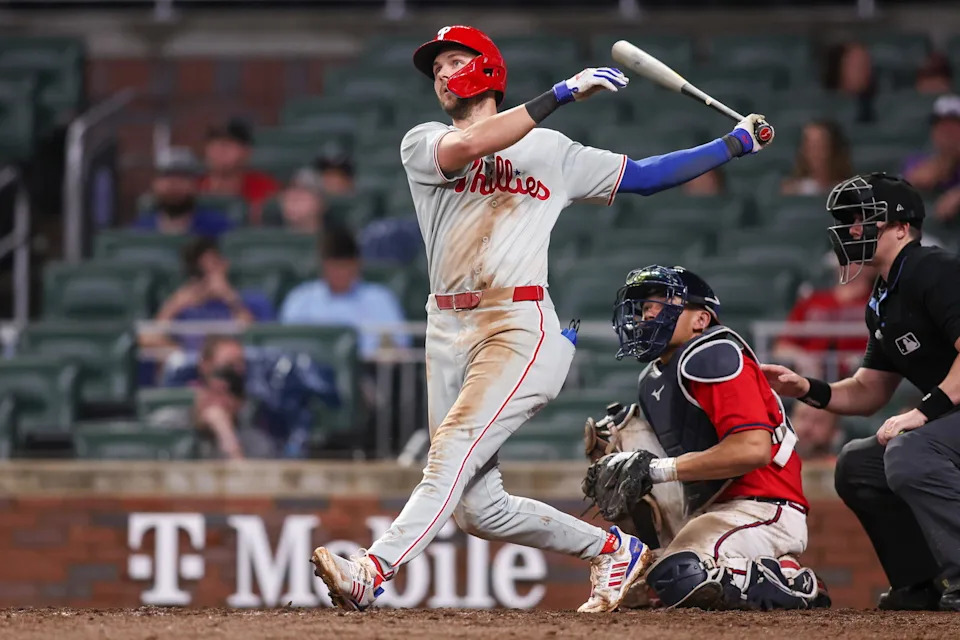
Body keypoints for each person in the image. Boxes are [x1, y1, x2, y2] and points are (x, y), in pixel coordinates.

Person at [309, 25, 776, 613]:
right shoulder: (422, 141)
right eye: (436, 70)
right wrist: (559, 93)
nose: (442, 75)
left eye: (454, 61)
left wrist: (732, 144)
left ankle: (372, 570)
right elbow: (467, 149)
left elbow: (647, 176)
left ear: (487, 70)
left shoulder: (551, 151)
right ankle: (613, 551)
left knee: (448, 453)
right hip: (445, 328)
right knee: (478, 508)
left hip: (518, 323)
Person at [760, 173, 960, 611]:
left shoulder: (934, 269)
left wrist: (925, 412)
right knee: (857, 464)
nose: (853, 230)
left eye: (864, 220)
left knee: (910, 452)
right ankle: (919, 582)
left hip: (948, 416)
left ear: (902, 228)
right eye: (850, 221)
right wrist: (806, 387)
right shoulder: (884, 294)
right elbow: (870, 389)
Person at [580, 265, 826, 611]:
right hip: (711, 507)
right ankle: (752, 565)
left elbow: (754, 449)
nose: (648, 312)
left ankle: (791, 581)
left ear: (700, 319)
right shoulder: (651, 378)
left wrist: (655, 471)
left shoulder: (712, 353)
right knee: (616, 435)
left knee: (679, 575)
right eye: (645, 305)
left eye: (662, 301)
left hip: (765, 503)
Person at [279, 227, 410, 358]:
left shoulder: (380, 299)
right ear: (323, 266)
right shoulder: (300, 299)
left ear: (357, 265)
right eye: (334, 267)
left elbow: (399, 347)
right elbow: (286, 345)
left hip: (366, 373)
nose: (339, 273)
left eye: (345, 266)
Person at [772, 257, 874, 378]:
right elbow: (782, 347)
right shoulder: (813, 301)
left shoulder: (878, 302)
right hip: (814, 374)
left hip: (859, 376)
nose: (851, 266)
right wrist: (803, 359)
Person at [130, 148, 234, 237]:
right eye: (166, 177)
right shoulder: (140, 230)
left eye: (181, 177)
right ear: (154, 184)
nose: (173, 184)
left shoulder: (219, 227)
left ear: (195, 184)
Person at [201, 117, 280, 222]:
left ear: (246, 152)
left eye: (227, 145)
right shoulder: (192, 186)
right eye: (213, 144)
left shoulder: (264, 187)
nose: (219, 151)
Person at [902, 94, 960, 222]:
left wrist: (957, 195)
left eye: (953, 126)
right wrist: (944, 162)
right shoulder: (918, 158)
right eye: (941, 125)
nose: (947, 132)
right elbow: (916, 179)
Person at [781, 120, 854, 196]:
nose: (815, 153)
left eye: (821, 146)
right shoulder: (793, 190)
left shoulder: (851, 190)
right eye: (810, 146)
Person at [823, 41, 876, 123]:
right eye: (858, 67)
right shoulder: (826, 108)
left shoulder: (871, 107)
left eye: (867, 65)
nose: (866, 71)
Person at [280, 168, 328, 233]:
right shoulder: (270, 238)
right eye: (289, 191)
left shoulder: (337, 239)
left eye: (302, 192)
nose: (293, 198)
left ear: (320, 202)